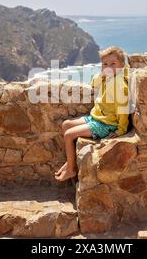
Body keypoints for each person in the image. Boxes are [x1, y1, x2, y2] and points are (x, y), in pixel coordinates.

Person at [54, 46, 130, 181]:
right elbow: (94, 84)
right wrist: (102, 74)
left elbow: (123, 109)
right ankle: (70, 160)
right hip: (97, 118)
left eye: (113, 64)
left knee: (68, 135)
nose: (109, 67)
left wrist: (121, 130)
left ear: (122, 65)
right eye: (105, 64)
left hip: (107, 124)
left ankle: (71, 169)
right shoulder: (109, 77)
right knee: (66, 124)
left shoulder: (119, 84)